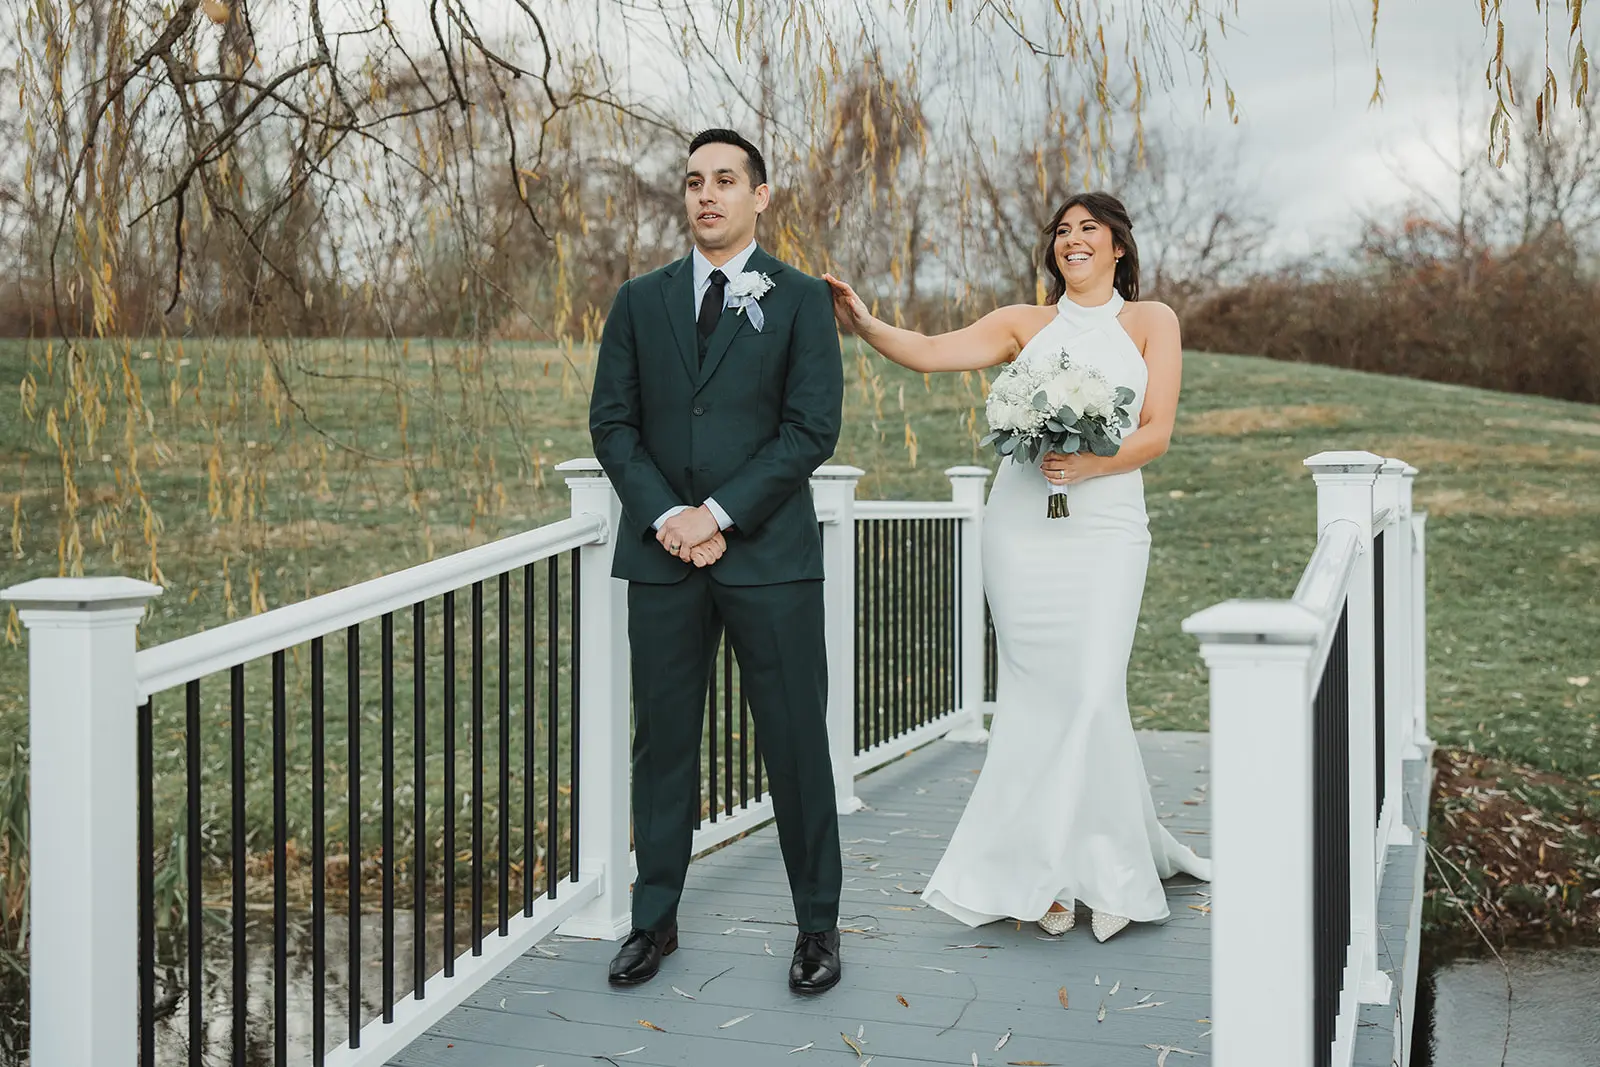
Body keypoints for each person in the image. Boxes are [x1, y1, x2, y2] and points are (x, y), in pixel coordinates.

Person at [823, 192, 1211, 942]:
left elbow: (1158, 432)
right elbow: (934, 352)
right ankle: (1048, 875)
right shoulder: (1024, 325)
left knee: (1095, 690)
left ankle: (1110, 869)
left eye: (1088, 230)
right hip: (1021, 530)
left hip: (1107, 528)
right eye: (1062, 231)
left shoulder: (1150, 321)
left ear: (1119, 247)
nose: (1072, 240)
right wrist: (866, 324)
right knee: (1037, 698)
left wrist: (1091, 463)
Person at [588, 128, 847, 990]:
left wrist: (718, 514)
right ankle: (651, 921)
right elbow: (612, 424)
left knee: (796, 747)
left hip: (770, 559)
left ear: (759, 196)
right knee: (662, 746)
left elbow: (809, 428)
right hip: (663, 559)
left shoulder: (802, 299)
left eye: (725, 180)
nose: (707, 194)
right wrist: (668, 514)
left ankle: (817, 928)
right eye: (694, 181)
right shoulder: (638, 300)